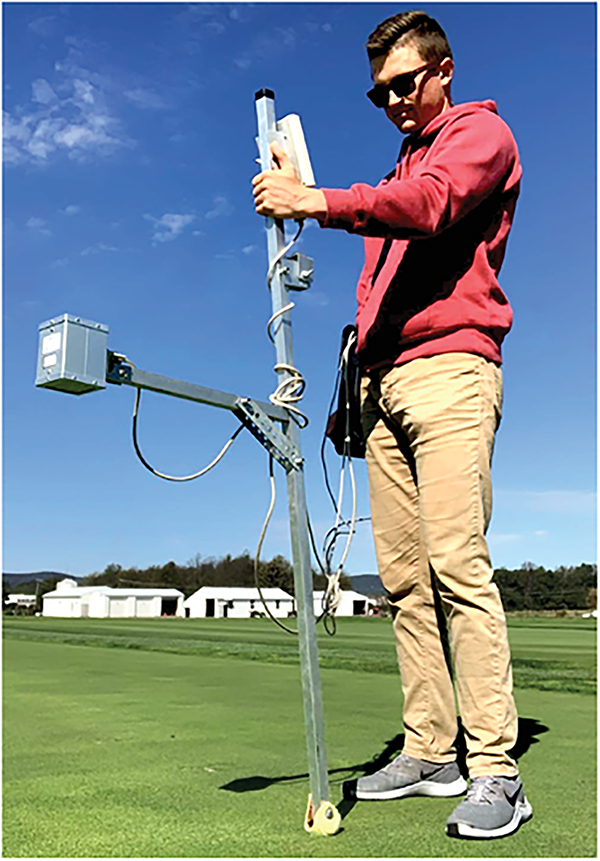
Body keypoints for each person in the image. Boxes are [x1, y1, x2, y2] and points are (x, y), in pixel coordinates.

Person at [253, 9, 532, 841]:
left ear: (442, 70)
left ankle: (495, 769)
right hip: (382, 385)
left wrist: (318, 198)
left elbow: (431, 204)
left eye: (406, 84)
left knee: (457, 567)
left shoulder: (480, 136)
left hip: (451, 372)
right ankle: (430, 746)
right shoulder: (404, 159)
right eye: (380, 93)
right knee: (404, 581)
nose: (395, 101)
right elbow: (393, 224)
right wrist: (354, 381)